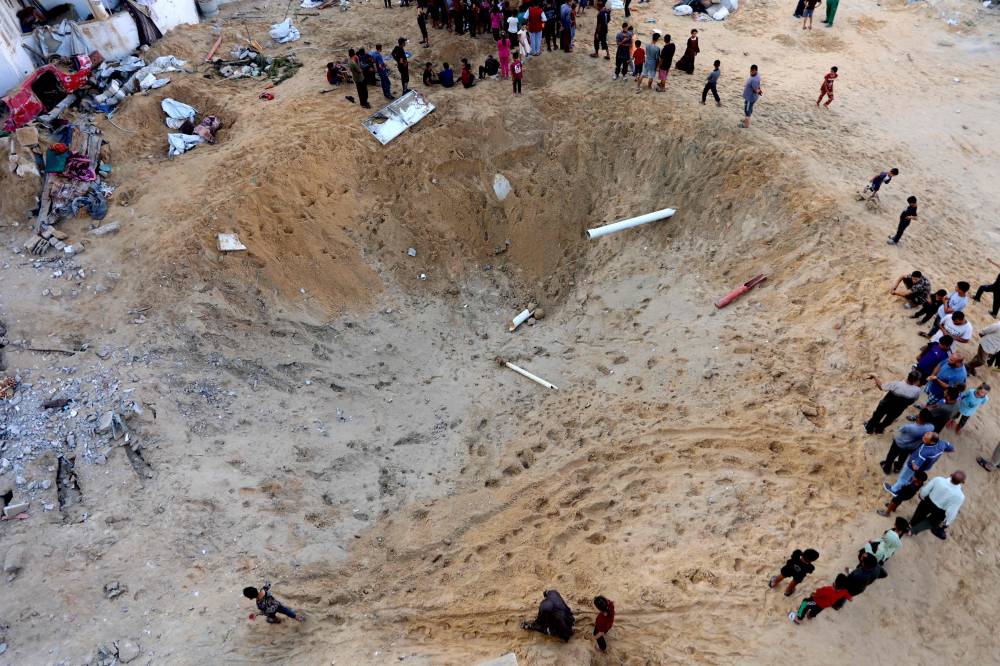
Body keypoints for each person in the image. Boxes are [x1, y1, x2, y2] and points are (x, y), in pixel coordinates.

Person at [887, 432, 954, 495]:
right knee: (910, 478)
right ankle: (906, 486)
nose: (923, 436)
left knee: (903, 478)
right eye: (925, 435)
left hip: (911, 467)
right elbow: (952, 449)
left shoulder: (924, 452)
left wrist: (913, 461)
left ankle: (894, 490)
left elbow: (915, 467)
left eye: (925, 438)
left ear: (931, 442)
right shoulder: (943, 443)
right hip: (925, 467)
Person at [910, 471, 965, 538]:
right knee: (931, 522)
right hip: (940, 511)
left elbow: (926, 489)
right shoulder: (960, 496)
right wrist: (947, 522)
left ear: (951, 474)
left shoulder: (938, 479)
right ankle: (913, 531)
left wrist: (922, 495)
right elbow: (952, 511)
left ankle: (911, 524)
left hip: (928, 501)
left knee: (919, 513)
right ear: (962, 482)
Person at [881, 408, 934, 475]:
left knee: (891, 455)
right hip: (911, 447)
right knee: (903, 458)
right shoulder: (931, 427)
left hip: (900, 444)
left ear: (919, 417)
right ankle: (897, 468)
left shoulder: (910, 427)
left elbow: (900, 430)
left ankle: (887, 468)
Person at [741, 64, 762, 129]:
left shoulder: (754, 80)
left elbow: (756, 90)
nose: (751, 72)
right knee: (748, 108)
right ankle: (746, 119)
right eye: (751, 70)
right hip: (751, 97)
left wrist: (759, 91)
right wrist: (759, 90)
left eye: (752, 71)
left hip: (750, 97)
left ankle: (746, 125)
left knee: (747, 110)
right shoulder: (757, 75)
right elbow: (758, 86)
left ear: (756, 70)